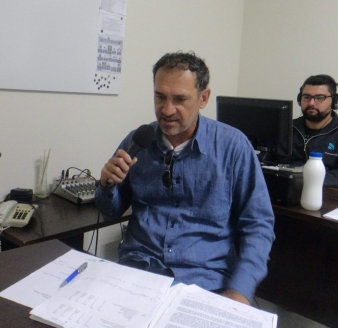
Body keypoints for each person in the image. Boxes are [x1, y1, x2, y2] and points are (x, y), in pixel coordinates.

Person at [95, 52, 275, 305]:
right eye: (160, 97)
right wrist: (107, 185)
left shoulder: (233, 147)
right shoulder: (138, 141)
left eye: (180, 99)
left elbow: (258, 225)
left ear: (203, 98)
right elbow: (110, 211)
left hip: (205, 281)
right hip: (139, 272)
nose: (167, 110)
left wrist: (240, 289)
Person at [277, 74, 338, 191]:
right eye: (306, 97)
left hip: (325, 196)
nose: (311, 103)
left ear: (334, 101)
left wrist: (302, 180)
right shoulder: (285, 129)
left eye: (320, 98)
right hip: (281, 192)